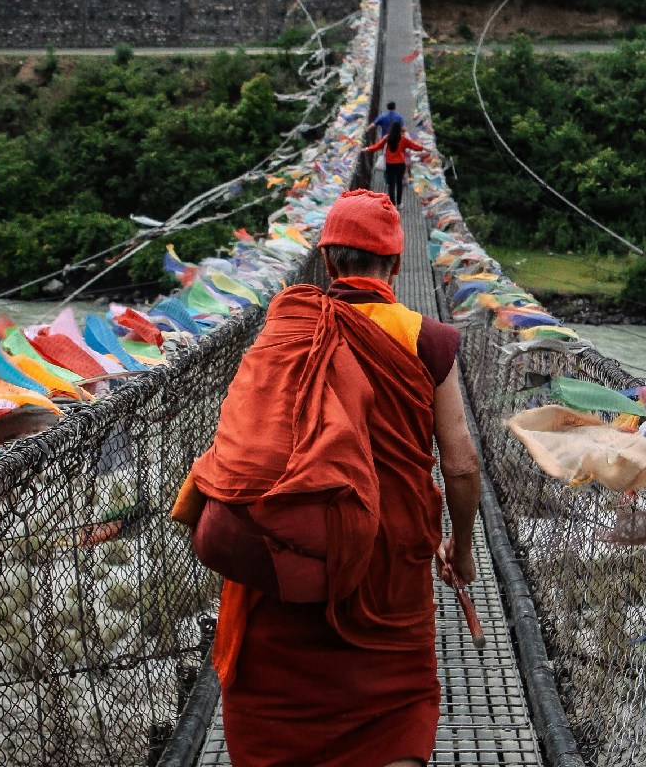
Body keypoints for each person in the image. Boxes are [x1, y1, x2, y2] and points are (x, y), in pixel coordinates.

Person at [178, 189, 480, 767]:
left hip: (290, 552)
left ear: (326, 261)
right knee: (393, 715)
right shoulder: (427, 338)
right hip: (389, 564)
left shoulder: (287, 328)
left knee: (276, 723)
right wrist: (462, 551)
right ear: (394, 265)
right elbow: (462, 464)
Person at [366, 121, 425, 208]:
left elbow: (378, 146)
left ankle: (392, 204)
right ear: (400, 129)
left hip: (390, 164)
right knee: (399, 183)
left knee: (391, 185)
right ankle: (399, 203)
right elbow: (414, 146)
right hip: (400, 164)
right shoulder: (403, 139)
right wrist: (424, 148)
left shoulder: (387, 137)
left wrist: (367, 148)